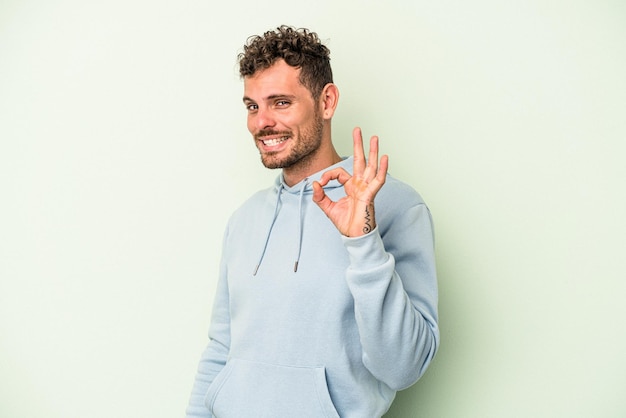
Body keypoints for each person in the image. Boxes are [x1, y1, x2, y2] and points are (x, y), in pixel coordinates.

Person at [186, 25, 439, 418]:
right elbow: (222, 348)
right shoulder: (245, 219)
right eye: (252, 106)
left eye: (280, 102)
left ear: (327, 101)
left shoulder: (396, 207)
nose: (261, 123)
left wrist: (363, 242)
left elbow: (403, 367)